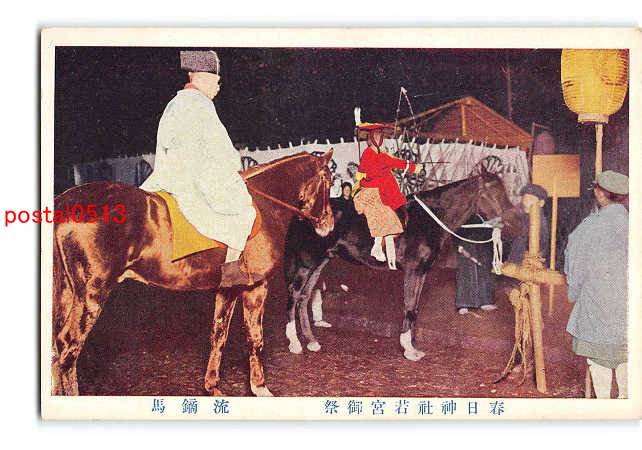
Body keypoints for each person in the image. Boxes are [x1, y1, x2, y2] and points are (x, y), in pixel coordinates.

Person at [140, 50, 257, 287]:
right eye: (217, 82)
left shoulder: (174, 103)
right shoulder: (201, 104)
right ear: (204, 78)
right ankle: (231, 271)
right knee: (246, 210)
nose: (218, 88)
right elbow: (219, 147)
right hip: (193, 177)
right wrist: (234, 167)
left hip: (167, 174)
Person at [564, 170, 628, 398]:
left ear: (600, 194)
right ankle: (626, 400)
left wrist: (573, 293)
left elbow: (575, 265)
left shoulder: (591, 227)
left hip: (598, 303)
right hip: (630, 306)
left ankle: (604, 406)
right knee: (627, 357)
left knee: (600, 360)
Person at [352, 123, 422, 270]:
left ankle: (391, 262)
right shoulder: (370, 154)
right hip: (372, 192)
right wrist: (413, 167)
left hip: (382, 190)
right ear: (371, 139)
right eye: (376, 136)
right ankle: (377, 247)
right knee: (385, 217)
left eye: (380, 136)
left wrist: (413, 166)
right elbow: (363, 173)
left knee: (390, 227)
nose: (378, 139)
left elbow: (395, 162)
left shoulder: (381, 155)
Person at [454, 215, 497, 315]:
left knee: (484, 267)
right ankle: (464, 303)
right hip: (464, 236)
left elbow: (496, 217)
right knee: (466, 270)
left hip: (484, 237)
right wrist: (457, 242)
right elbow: (453, 222)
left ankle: (485, 301)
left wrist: (496, 227)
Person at [505, 183, 550, 265]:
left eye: (531, 199)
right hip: (517, 264)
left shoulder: (537, 221)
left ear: (541, 203)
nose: (526, 202)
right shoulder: (526, 217)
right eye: (524, 198)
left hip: (528, 266)